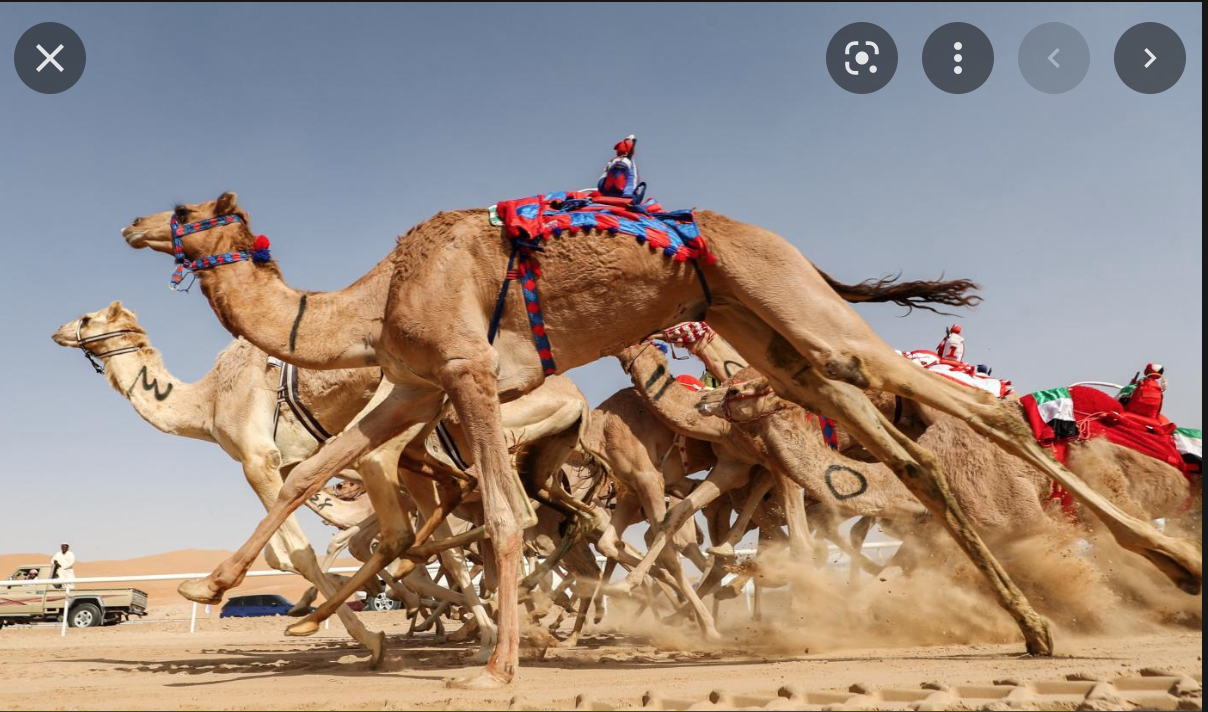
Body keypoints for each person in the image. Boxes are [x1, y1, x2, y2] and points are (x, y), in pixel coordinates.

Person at [597, 134, 641, 200]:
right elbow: (633, 177)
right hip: (624, 194)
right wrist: (630, 194)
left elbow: (603, 177)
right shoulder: (628, 161)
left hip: (607, 193)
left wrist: (600, 190)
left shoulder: (612, 161)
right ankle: (628, 195)